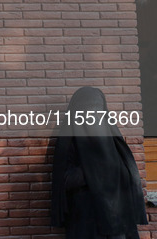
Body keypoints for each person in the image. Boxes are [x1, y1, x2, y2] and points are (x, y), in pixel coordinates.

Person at [51, 86, 147, 238]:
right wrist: (94, 169)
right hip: (86, 221)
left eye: (97, 110)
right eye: (87, 110)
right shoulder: (69, 141)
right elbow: (64, 181)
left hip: (118, 220)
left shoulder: (114, 140)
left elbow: (130, 178)